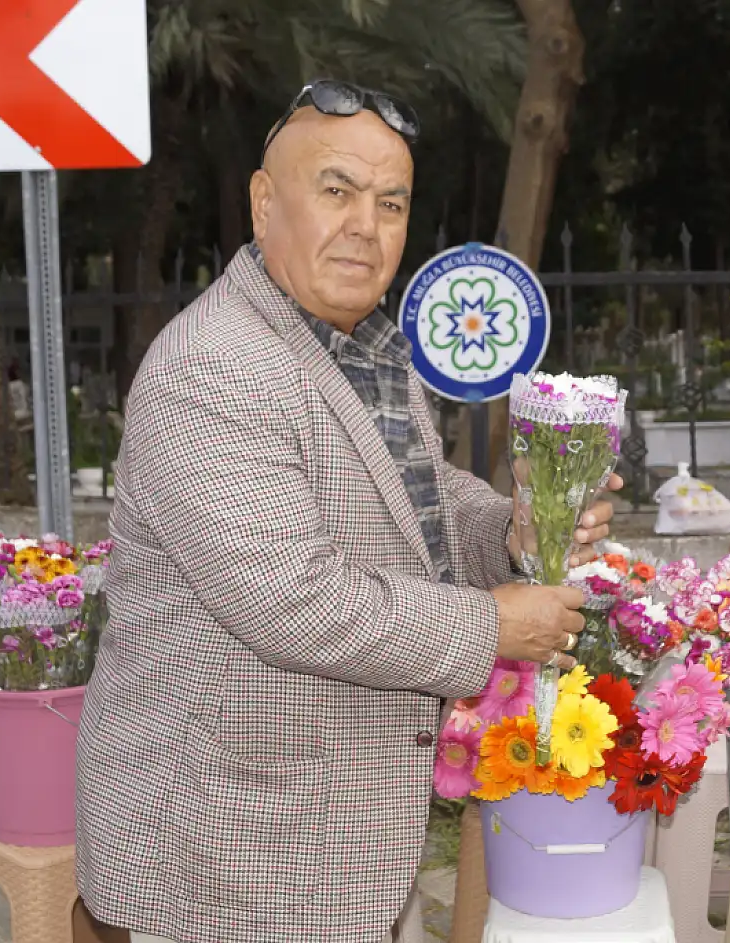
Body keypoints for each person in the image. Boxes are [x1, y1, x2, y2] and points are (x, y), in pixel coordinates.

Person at [74, 79, 615, 943]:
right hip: (224, 859)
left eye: (390, 201)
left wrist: (510, 528)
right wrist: (493, 625)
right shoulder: (213, 368)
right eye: (337, 190)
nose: (367, 223)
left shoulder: (366, 343)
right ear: (262, 202)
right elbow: (294, 600)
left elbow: (418, 496)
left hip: (325, 835)